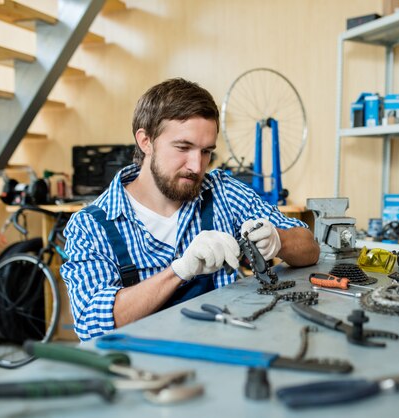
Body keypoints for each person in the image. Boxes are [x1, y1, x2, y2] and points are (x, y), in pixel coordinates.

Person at [60, 78, 320, 341]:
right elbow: (91, 325)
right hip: (143, 372)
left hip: (223, 354)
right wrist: (179, 271)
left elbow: (310, 248)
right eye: (183, 147)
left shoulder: (223, 192)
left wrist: (278, 239)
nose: (197, 166)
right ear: (145, 141)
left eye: (206, 151)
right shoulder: (92, 226)